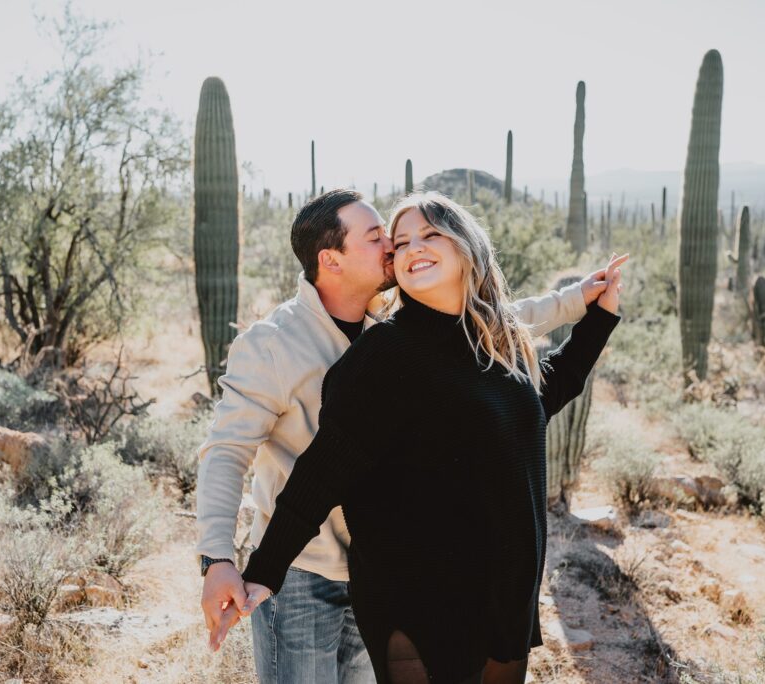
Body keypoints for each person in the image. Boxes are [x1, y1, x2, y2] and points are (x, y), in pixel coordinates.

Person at [196, 189, 619, 684]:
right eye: (381, 238)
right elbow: (235, 454)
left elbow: (494, 326)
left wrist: (583, 304)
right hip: (307, 569)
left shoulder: (406, 319)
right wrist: (221, 558)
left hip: (383, 563)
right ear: (331, 260)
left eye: (415, 237)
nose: (397, 250)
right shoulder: (281, 344)